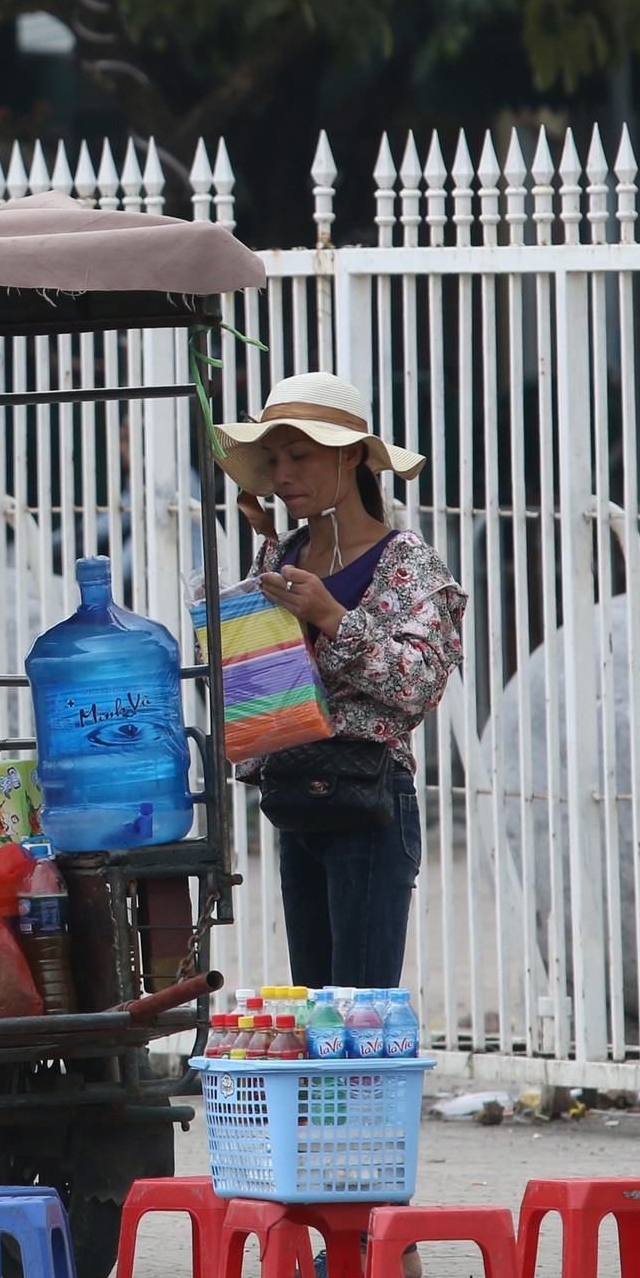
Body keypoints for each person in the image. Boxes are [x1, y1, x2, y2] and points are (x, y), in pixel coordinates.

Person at [213, 370, 468, 991]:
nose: (283, 476)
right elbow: (267, 685)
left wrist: (330, 616)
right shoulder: (280, 556)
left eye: (299, 456)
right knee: (312, 1000)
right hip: (297, 791)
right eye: (273, 459)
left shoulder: (406, 561)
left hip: (369, 798)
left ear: (351, 456)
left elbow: (420, 685)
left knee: (357, 1005)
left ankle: (364, 1094)